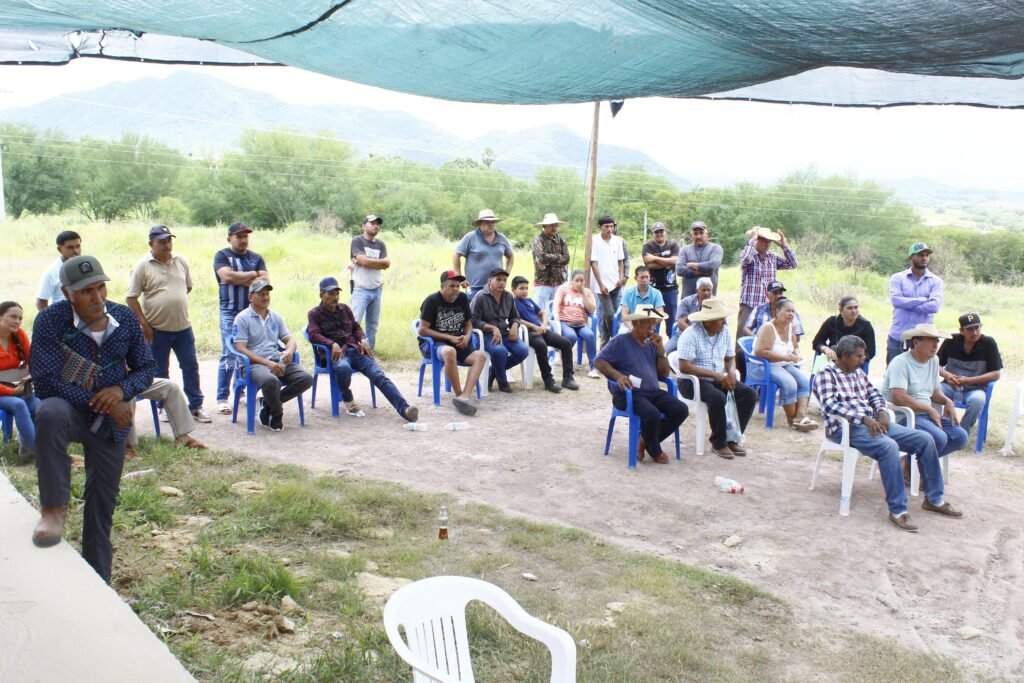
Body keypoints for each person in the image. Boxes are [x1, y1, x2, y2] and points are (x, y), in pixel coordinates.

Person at [29, 255, 157, 582]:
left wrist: (121, 391)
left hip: (112, 424)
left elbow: (146, 368)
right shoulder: (50, 321)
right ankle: (53, 510)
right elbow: (44, 381)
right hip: (72, 412)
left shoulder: (124, 317)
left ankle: (98, 580)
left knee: (101, 504)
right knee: (49, 412)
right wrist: (101, 402)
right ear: (67, 293)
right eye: (86, 291)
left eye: (100, 287)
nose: (97, 298)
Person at [815, 335, 962, 532]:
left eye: (863, 355)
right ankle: (898, 510)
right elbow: (830, 406)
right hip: (846, 428)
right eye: (858, 356)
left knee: (925, 439)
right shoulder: (826, 374)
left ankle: (934, 500)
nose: (863, 359)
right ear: (843, 355)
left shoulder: (857, 372)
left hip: (873, 423)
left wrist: (882, 411)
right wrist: (864, 419)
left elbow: (874, 394)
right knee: (888, 446)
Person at [125, 225, 210, 423]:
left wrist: (172, 300)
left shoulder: (180, 261)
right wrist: (144, 324)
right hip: (157, 330)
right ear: (151, 243)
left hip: (183, 327)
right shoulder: (142, 266)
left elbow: (187, 287)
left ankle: (196, 406)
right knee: (160, 370)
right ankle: (163, 406)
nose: (167, 245)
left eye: (169, 240)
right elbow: (131, 298)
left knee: (190, 366)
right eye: (161, 241)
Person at [307, 276, 419, 422]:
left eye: (337, 293)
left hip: (355, 350)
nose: (335, 297)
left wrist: (363, 339)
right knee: (343, 368)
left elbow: (356, 327)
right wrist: (331, 344)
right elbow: (313, 334)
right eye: (331, 294)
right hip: (336, 355)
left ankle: (405, 409)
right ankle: (347, 398)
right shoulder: (314, 314)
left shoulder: (345, 309)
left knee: (379, 375)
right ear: (321, 295)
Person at [595, 307, 688, 464]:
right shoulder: (620, 341)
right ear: (636, 323)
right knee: (651, 414)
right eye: (648, 323)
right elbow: (599, 361)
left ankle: (644, 440)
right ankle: (655, 450)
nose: (652, 327)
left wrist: (661, 351)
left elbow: (663, 374)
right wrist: (618, 376)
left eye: (654, 323)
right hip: (629, 393)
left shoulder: (651, 344)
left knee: (681, 410)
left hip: (653, 392)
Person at [676, 297, 757, 459]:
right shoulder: (691, 334)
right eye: (720, 319)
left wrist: (731, 373)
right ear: (708, 321)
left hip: (717, 378)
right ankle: (718, 442)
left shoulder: (724, 331)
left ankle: (732, 438)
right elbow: (684, 367)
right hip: (692, 381)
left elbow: (730, 357)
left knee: (749, 395)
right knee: (718, 397)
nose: (724, 322)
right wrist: (716, 375)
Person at [232, 280, 312, 431]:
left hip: (276, 360)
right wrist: (267, 363)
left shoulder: (275, 317)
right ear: (250, 297)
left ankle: (267, 404)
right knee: (271, 381)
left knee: (306, 378)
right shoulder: (242, 318)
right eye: (261, 294)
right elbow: (240, 348)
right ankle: (277, 413)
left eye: (267, 294)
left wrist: (289, 351)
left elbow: (290, 340)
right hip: (253, 365)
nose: (265, 297)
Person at [883, 323, 968, 461]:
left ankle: (909, 463)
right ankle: (915, 467)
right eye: (931, 341)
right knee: (939, 438)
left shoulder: (933, 360)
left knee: (960, 436)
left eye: (937, 341)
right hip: (905, 417)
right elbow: (898, 397)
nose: (935, 345)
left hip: (925, 416)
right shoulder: (900, 362)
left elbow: (934, 392)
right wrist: (929, 409)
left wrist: (948, 401)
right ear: (916, 342)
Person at [214, 222, 268, 414]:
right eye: (239, 236)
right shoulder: (222, 256)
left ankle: (242, 392)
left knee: (250, 352)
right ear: (229, 238)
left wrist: (241, 278)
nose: (243, 240)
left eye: (246, 236)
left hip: (252, 313)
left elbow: (265, 281)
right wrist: (253, 275)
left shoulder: (256, 257)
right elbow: (227, 277)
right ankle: (222, 398)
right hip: (230, 312)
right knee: (230, 354)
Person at [418, 271, 486, 416]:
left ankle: (464, 397)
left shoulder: (462, 298)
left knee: (480, 356)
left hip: (457, 341)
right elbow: (422, 330)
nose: (456, 289)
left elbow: (468, 324)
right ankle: (458, 393)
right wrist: (449, 338)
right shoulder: (431, 301)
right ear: (442, 286)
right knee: (449, 352)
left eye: (457, 286)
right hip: (433, 344)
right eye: (452, 286)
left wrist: (467, 337)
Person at [751, 298, 818, 431]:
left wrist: (797, 355)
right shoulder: (768, 327)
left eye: (793, 311)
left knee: (804, 381)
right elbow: (760, 352)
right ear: (777, 311)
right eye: (788, 311)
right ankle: (792, 421)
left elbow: (795, 346)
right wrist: (786, 357)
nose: (791, 314)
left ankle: (801, 417)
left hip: (782, 364)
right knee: (789, 383)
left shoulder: (790, 326)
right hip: (762, 366)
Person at [938, 313, 1002, 438]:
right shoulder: (951, 341)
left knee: (977, 401)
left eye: (977, 328)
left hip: (975, 388)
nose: (975, 332)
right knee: (933, 392)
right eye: (970, 329)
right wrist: (948, 375)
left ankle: (962, 433)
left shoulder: (988, 343)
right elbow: (935, 365)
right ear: (961, 331)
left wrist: (969, 380)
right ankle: (939, 427)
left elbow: (996, 374)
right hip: (950, 386)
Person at [510, 275, 576, 392]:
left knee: (566, 343)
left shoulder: (529, 301)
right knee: (541, 345)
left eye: (526, 288)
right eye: (521, 288)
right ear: (513, 290)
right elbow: (517, 319)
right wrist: (534, 326)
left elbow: (543, 313)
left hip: (541, 329)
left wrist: (544, 325)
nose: (525, 291)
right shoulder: (512, 303)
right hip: (527, 332)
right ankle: (548, 380)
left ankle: (568, 378)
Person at [470, 268, 529, 393]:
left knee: (523, 350)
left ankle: (494, 370)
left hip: (504, 332)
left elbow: (515, 316)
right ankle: (502, 381)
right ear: (489, 281)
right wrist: (492, 328)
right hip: (485, 335)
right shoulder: (480, 296)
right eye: (498, 279)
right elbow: (473, 320)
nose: (502, 283)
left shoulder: (508, 296)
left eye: (504, 280)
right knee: (500, 351)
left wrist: (514, 326)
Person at [737, 226, 797, 342]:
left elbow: (793, 264)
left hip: (768, 306)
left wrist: (784, 246)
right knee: (743, 338)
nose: (767, 243)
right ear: (757, 240)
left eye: (769, 241)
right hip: (750, 304)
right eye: (764, 240)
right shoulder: (749, 255)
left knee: (768, 339)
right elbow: (745, 260)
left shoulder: (772, 257)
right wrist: (752, 240)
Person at [887, 242, 943, 366]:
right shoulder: (898, 278)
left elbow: (934, 306)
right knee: (893, 371)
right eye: (920, 255)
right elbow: (895, 300)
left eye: (927, 255)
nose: (924, 258)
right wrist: (922, 300)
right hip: (899, 336)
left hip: (923, 338)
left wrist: (906, 303)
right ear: (910, 257)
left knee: (921, 372)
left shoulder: (936, 281)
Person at [126, 379, 207, 459]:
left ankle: (182, 437)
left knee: (171, 386)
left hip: (134, 380)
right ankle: (126, 446)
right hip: (119, 386)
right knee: (127, 395)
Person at [0, 301, 41, 455]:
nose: (17, 321)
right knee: (18, 405)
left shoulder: (19, 335)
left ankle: (27, 448)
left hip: (17, 385)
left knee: (39, 405)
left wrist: (30, 376)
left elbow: (33, 361)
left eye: (20, 318)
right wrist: (13, 391)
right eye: (13, 317)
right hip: (7, 390)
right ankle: (40, 453)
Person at [453, 209, 514, 300]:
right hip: (474, 287)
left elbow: (510, 256)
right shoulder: (470, 237)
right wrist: (459, 277)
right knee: (474, 308)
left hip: (496, 287)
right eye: (487, 222)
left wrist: (506, 273)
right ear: (480, 223)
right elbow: (456, 255)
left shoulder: (502, 239)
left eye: (493, 222)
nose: (491, 224)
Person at [350, 214, 390, 349]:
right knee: (355, 322)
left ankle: (370, 350)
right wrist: (378, 263)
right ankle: (351, 350)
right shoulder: (357, 241)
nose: (376, 226)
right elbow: (363, 261)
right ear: (364, 226)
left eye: (377, 224)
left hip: (377, 288)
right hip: (360, 288)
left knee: (373, 324)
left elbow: (387, 263)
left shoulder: (381, 244)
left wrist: (366, 261)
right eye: (372, 223)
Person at [553, 269, 599, 379]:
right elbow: (556, 305)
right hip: (565, 321)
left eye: (582, 281)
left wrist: (583, 293)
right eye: (576, 280)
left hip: (580, 322)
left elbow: (592, 310)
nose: (579, 283)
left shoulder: (587, 292)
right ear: (571, 281)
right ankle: (566, 363)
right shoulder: (563, 289)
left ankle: (593, 368)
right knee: (571, 336)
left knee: (590, 335)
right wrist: (557, 319)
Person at [590, 214, 626, 347]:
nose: (610, 229)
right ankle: (615, 340)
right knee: (609, 315)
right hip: (602, 286)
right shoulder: (594, 241)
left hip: (616, 283)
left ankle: (606, 343)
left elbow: (621, 261)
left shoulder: (618, 241)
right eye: (606, 226)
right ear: (600, 227)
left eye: (611, 226)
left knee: (616, 314)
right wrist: (600, 284)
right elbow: (593, 263)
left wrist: (621, 277)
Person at [812, 296, 876, 364]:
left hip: (854, 362)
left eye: (856, 307)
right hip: (832, 358)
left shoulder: (865, 325)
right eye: (849, 308)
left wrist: (855, 359)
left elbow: (870, 351)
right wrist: (825, 349)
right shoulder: (832, 322)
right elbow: (817, 342)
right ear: (841, 310)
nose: (854, 311)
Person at [530, 213, 571, 313]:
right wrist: (558, 256)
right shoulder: (538, 240)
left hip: (559, 282)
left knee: (558, 312)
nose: (554, 227)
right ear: (544, 226)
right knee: (540, 312)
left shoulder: (561, 240)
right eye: (551, 225)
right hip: (543, 282)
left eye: (556, 225)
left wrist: (550, 259)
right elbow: (542, 257)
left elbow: (566, 258)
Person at [641, 221, 679, 325]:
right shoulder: (647, 246)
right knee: (652, 321)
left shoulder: (673, 245)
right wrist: (668, 262)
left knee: (671, 320)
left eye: (661, 231)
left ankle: (671, 336)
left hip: (670, 289)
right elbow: (649, 265)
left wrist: (655, 258)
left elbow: (676, 261)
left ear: (665, 232)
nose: (659, 234)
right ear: (652, 234)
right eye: (656, 232)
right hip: (652, 289)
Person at [665, 277, 715, 355]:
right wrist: (695, 334)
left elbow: (723, 323)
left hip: (709, 337)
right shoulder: (686, 302)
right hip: (684, 334)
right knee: (664, 353)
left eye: (708, 290)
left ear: (712, 291)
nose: (706, 293)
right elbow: (680, 323)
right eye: (703, 290)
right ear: (697, 291)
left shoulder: (717, 303)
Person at [35, 230, 82, 311]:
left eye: (78, 246)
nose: (76, 251)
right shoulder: (51, 272)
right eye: (70, 247)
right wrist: (51, 318)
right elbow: (41, 302)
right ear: (59, 249)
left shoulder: (86, 266)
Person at [676, 221, 723, 297]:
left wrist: (691, 265)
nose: (698, 236)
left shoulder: (715, 248)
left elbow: (712, 266)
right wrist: (698, 272)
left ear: (707, 234)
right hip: (688, 298)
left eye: (701, 233)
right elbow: (679, 270)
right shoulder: (684, 250)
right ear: (691, 235)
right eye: (695, 233)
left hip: (709, 298)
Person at [619, 266, 665, 334]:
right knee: (622, 334)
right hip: (630, 324)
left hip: (648, 325)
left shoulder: (657, 293)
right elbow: (624, 314)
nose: (645, 280)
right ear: (635, 278)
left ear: (650, 277)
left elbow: (660, 314)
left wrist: (650, 326)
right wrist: (632, 328)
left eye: (647, 277)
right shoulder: (628, 292)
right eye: (642, 277)